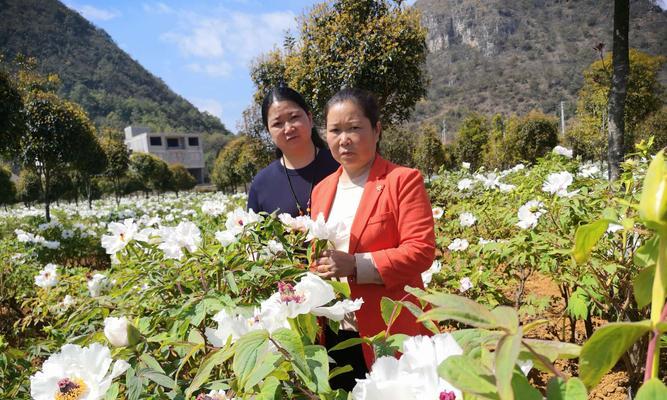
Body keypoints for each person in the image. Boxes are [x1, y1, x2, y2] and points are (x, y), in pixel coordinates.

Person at [310, 88, 436, 388]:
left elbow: (420, 251)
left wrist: (355, 264)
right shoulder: (321, 190)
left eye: (354, 128)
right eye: (335, 130)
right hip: (334, 332)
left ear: (376, 130)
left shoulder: (401, 181)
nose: (344, 139)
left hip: (386, 331)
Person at [247, 86, 339, 217]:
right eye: (277, 123)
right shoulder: (261, 184)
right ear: (268, 132)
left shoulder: (341, 165)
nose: (289, 128)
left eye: (294, 117)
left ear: (310, 118)